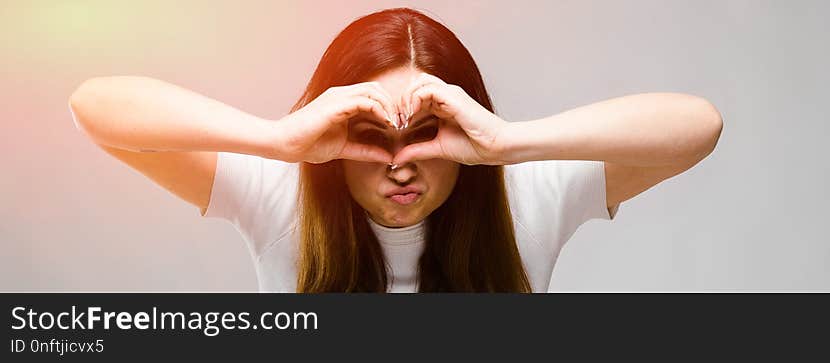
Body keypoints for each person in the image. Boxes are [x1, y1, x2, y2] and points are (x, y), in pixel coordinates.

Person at [68, 8, 722, 292]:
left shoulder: (525, 192)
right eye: (373, 138)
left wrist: (509, 143)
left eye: (426, 134)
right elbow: (96, 107)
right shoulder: (279, 191)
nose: (401, 163)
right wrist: (276, 137)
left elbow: (698, 126)